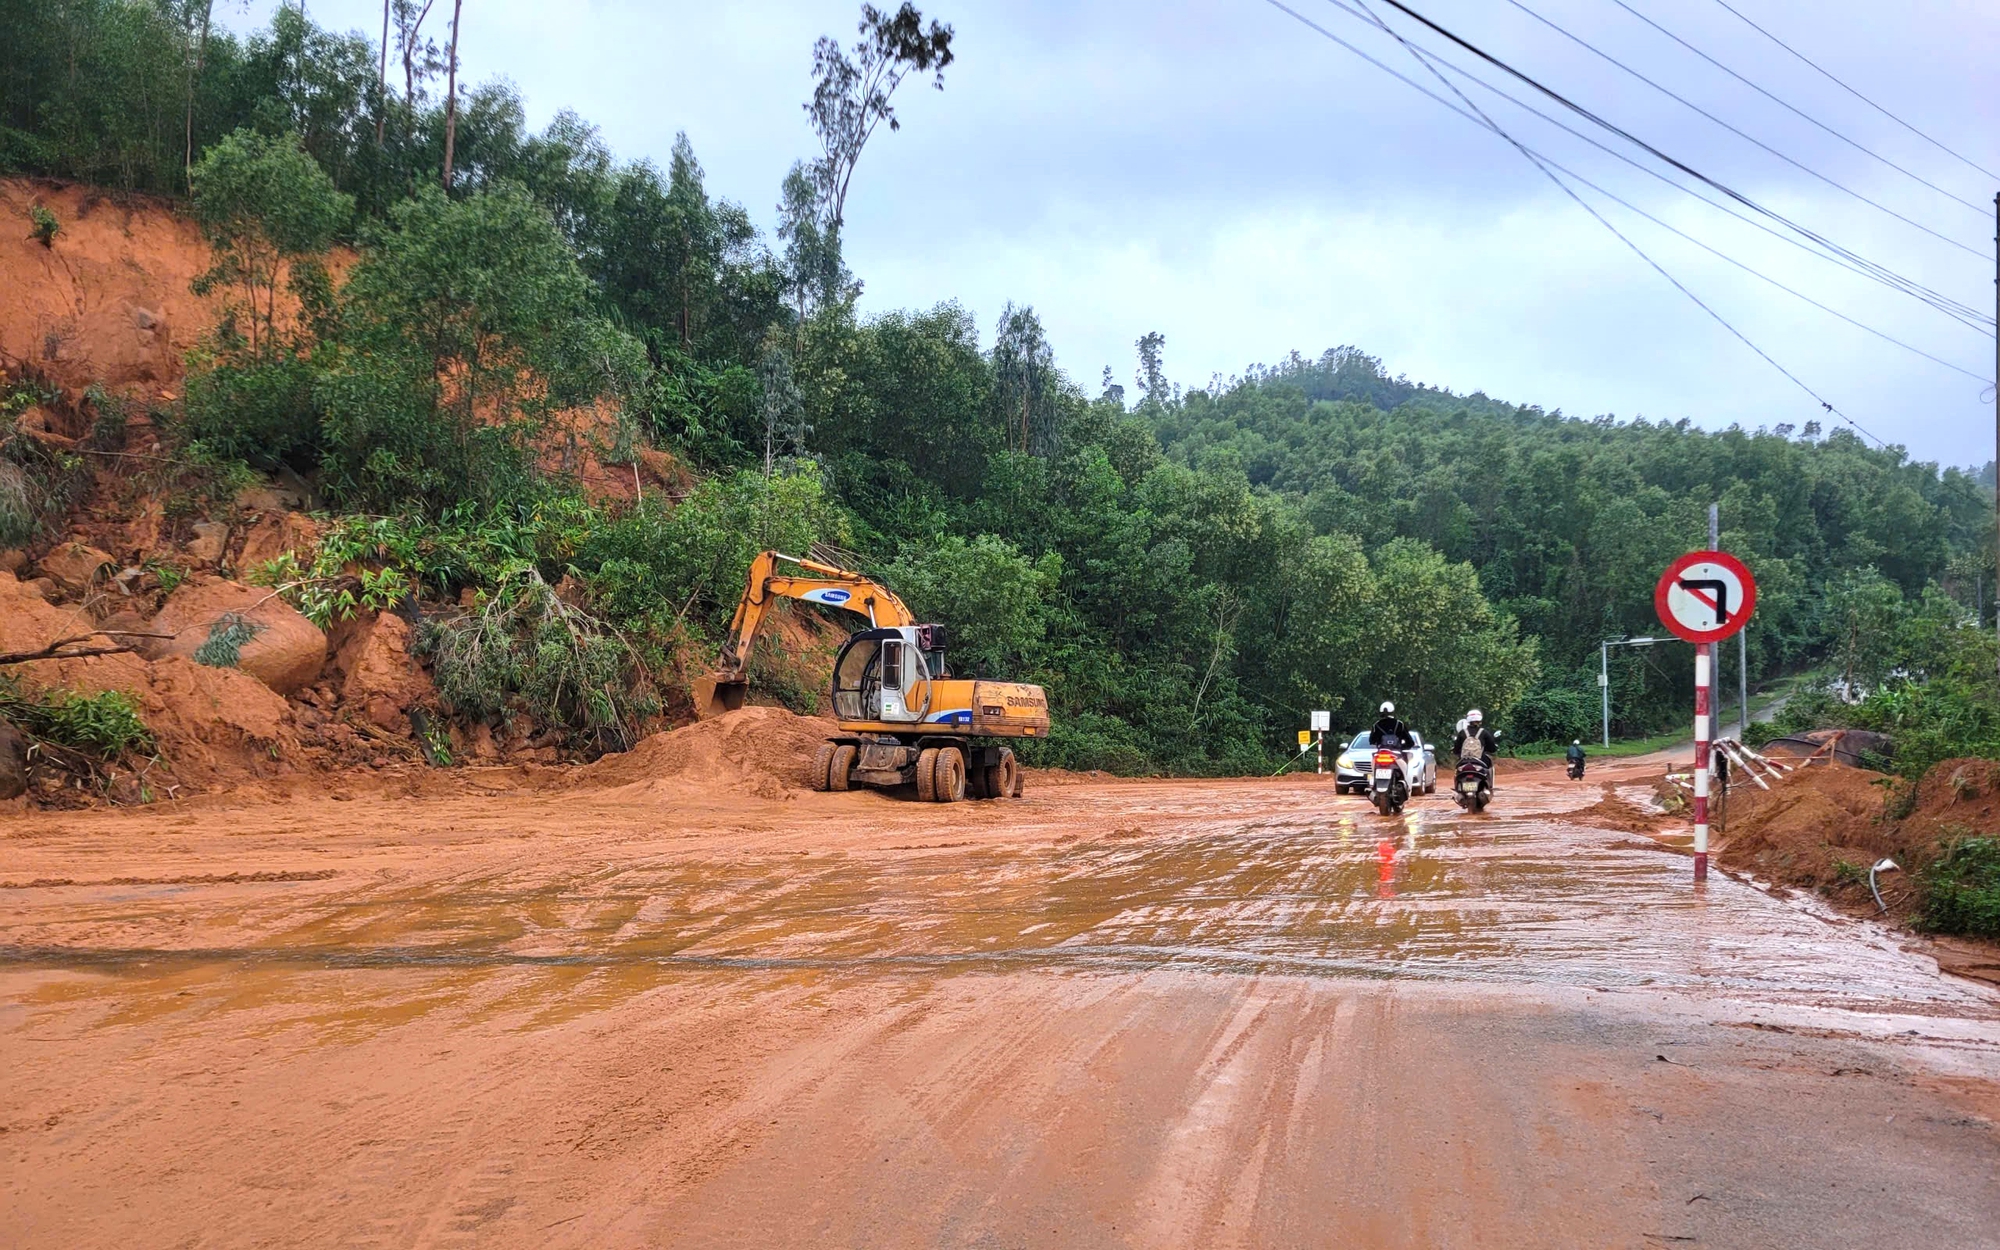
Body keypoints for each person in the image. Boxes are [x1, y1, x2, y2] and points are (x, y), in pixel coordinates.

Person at [1454, 709, 1499, 782]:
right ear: (1480, 720)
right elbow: (1492, 748)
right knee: (1489, 765)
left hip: (1464, 761)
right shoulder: (1484, 732)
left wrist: (1456, 751)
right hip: (1480, 760)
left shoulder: (1462, 732)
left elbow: (1456, 749)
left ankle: (1457, 784)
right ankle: (1489, 784)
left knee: (1457, 769)